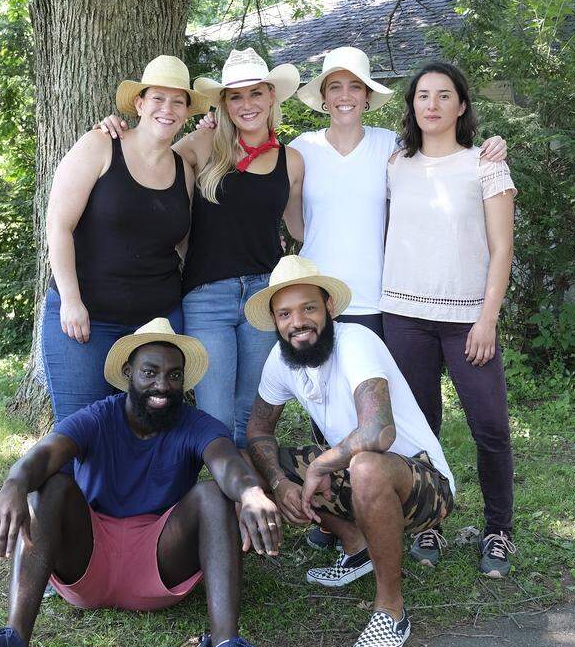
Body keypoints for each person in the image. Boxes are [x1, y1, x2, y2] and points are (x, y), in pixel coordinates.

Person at [0, 319, 290, 647]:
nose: (163, 385)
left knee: (213, 496)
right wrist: (14, 484)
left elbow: (226, 463)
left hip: (160, 561)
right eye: (150, 372)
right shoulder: (98, 417)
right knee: (49, 487)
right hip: (89, 558)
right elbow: (46, 454)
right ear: (128, 373)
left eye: (174, 375)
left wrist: (251, 493)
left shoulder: (197, 425)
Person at [289, 47, 505, 552]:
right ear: (321, 98)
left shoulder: (390, 148)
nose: (345, 96)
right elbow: (293, 216)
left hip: (384, 301)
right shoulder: (307, 148)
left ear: (368, 96)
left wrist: (492, 146)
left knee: (403, 418)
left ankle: (479, 527)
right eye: (335, 87)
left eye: (355, 87)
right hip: (333, 301)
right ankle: (339, 517)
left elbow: (483, 226)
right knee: (333, 411)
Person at [243, 256, 456, 647]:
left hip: (422, 483)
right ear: (275, 321)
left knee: (366, 464)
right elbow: (257, 431)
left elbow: (379, 432)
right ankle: (356, 546)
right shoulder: (280, 359)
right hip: (355, 479)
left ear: (330, 308)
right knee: (246, 460)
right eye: (285, 314)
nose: (297, 322)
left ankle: (391, 609)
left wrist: (321, 465)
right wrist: (282, 482)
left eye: (308, 308)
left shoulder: (356, 340)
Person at [97, 48, 304, 449]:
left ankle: (249, 493)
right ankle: (221, 494)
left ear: (271, 97)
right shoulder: (202, 146)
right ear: (223, 103)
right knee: (215, 411)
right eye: (236, 96)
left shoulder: (292, 161)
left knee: (252, 406)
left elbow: (300, 227)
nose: (247, 104)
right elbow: (145, 162)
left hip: (265, 294)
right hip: (208, 295)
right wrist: (113, 131)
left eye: (256, 93)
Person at [381, 63, 518, 578]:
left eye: (444, 95)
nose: (431, 105)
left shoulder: (485, 165)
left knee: (491, 426)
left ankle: (498, 530)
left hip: (467, 320)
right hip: (404, 315)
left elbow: (502, 249)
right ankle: (428, 521)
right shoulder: (396, 164)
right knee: (421, 429)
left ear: (462, 106)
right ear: (412, 106)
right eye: (422, 96)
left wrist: (487, 319)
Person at [40, 55, 207, 427]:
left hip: (157, 321)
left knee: (146, 425)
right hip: (87, 318)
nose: (168, 109)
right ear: (140, 103)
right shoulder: (100, 146)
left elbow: (183, 243)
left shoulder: (183, 169)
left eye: (178, 101)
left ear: (186, 112)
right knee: (79, 428)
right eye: (158, 99)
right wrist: (70, 300)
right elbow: (58, 225)